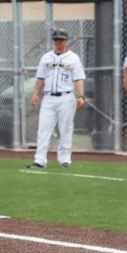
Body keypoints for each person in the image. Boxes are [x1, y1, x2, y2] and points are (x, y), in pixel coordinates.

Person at [27, 28, 86, 168]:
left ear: (66, 41)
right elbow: (40, 78)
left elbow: (78, 79)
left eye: (61, 39)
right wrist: (35, 94)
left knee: (65, 129)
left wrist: (80, 95)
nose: (58, 42)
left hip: (67, 97)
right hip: (48, 98)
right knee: (43, 128)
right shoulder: (46, 57)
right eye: (56, 39)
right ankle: (40, 160)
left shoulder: (73, 58)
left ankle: (65, 159)